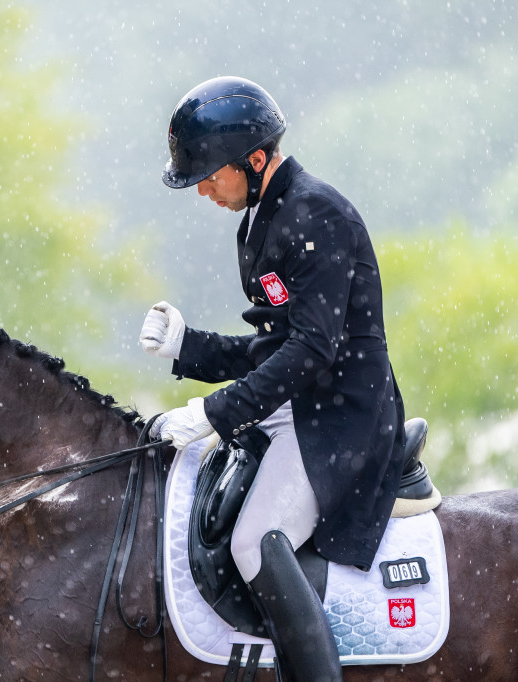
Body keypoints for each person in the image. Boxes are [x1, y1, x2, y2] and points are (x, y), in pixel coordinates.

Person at [140, 76, 408, 682]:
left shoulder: (316, 213)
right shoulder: (263, 220)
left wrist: (213, 412)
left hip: (340, 418)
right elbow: (274, 349)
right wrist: (190, 347)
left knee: (254, 540)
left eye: (210, 176)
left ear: (255, 159)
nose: (204, 190)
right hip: (299, 401)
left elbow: (311, 351)